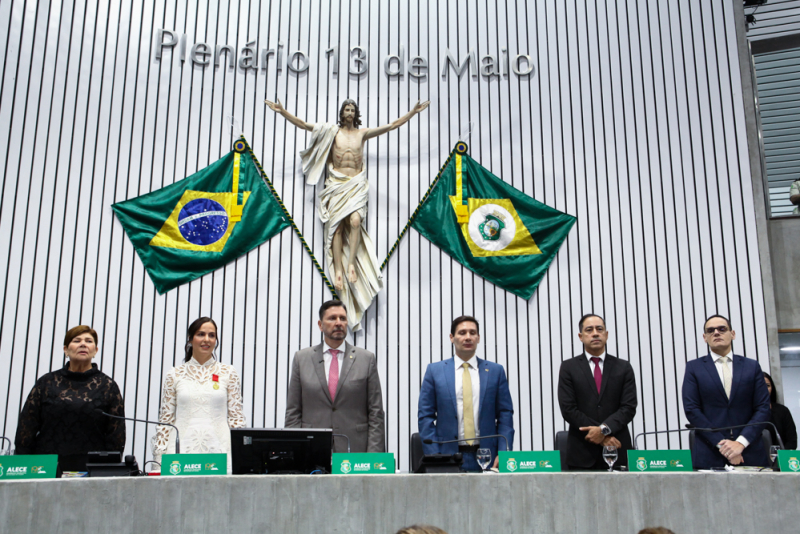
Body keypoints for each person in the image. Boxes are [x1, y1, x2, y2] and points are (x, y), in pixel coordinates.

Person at [265, 97, 429, 331]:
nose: (349, 112)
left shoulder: (362, 133)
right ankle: (339, 269)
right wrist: (282, 111)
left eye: (352, 109)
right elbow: (302, 124)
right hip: (336, 182)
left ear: (356, 113)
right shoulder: (331, 132)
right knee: (337, 227)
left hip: (356, 183)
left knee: (355, 221)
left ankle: (351, 263)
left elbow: (392, 126)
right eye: (346, 109)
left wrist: (412, 112)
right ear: (341, 113)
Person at [14, 325, 125, 467]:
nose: (83, 344)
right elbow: (27, 428)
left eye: (89, 341)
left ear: (95, 351)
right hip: (45, 467)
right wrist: (23, 466)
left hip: (91, 468)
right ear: (65, 349)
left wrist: (109, 469)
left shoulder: (108, 386)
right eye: (77, 340)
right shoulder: (46, 382)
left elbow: (116, 436)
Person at [284, 300, 385, 453]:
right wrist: (294, 452)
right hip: (312, 449)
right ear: (320, 325)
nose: (338, 323)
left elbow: (376, 413)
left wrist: (373, 456)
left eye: (343, 318)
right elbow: (293, 412)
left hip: (355, 449)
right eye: (332, 318)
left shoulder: (366, 359)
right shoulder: (301, 359)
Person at [418, 315, 514, 471]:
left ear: (478, 338)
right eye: (462, 333)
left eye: (472, 333)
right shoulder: (434, 371)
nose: (468, 337)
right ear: (452, 337)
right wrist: (435, 455)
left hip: (488, 456)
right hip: (447, 457)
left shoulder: (496, 371)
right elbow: (425, 416)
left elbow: (505, 414)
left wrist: (504, 453)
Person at [153, 317, 246, 473]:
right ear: (190, 339)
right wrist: (158, 460)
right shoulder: (175, 374)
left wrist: (242, 454)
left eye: (212, 335)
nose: (206, 340)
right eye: (200, 334)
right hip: (181, 451)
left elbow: (236, 419)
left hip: (220, 450)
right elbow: (165, 421)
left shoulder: (228, 373)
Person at [682, 314, 771, 469]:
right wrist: (723, 445)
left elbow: (763, 408)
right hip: (709, 451)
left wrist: (740, 443)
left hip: (749, 450)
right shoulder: (694, 368)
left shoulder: (752, 366)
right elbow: (692, 410)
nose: (716, 332)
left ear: (733, 334)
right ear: (705, 337)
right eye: (711, 330)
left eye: (722, 329)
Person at [557, 314, 638, 469]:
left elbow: (628, 407)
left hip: (618, 448)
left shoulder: (623, 367)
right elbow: (568, 409)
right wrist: (601, 437)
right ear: (581, 336)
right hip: (582, 452)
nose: (595, 333)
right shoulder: (568, 368)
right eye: (589, 329)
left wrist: (603, 430)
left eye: (599, 329)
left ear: (606, 335)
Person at [763, 372, 797, 450]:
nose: (764, 389)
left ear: (772, 388)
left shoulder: (783, 411)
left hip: (780, 458)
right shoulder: (746, 412)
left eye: (767, 386)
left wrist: (781, 456)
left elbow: (792, 441)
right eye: (760, 385)